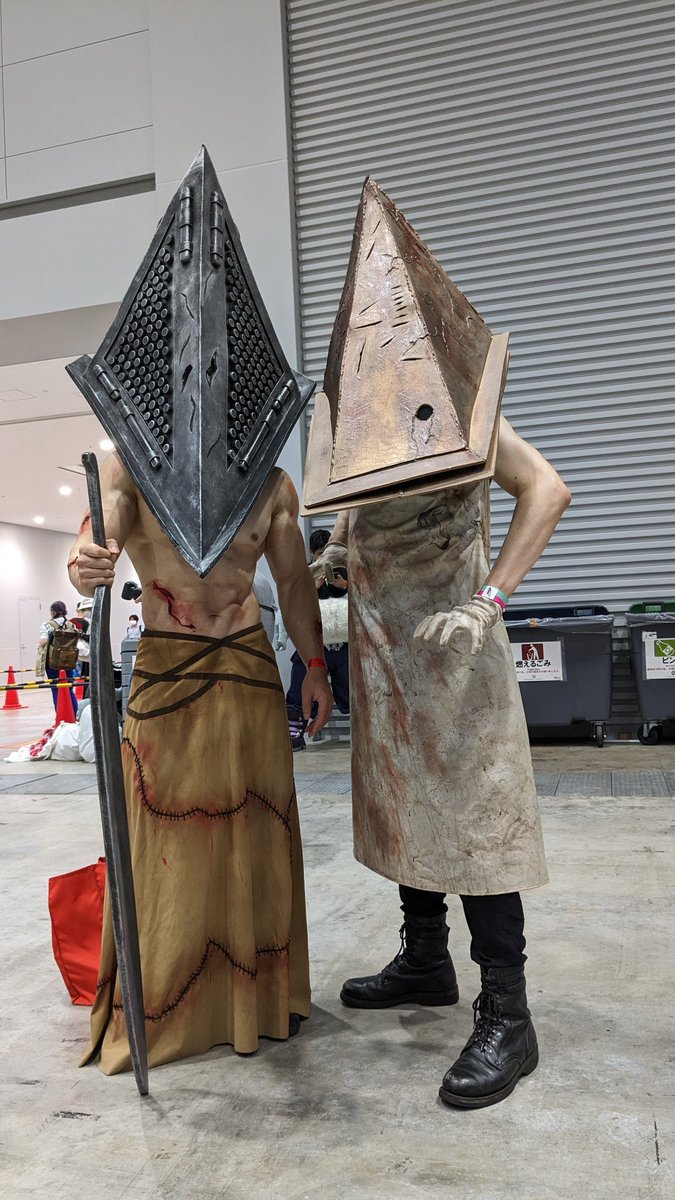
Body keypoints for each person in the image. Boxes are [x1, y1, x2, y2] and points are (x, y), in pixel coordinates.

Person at [305, 177, 572, 1110]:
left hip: (456, 653)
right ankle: (425, 959)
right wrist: (338, 552)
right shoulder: (361, 418)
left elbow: (546, 491)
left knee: (475, 824)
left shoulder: (462, 409)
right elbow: (358, 502)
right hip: (385, 651)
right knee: (403, 810)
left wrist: (489, 601)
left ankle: (509, 1012)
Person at [67, 453, 333, 1073]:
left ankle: (258, 997)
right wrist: (85, 564)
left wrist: (316, 665)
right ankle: (166, 1002)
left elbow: (294, 582)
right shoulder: (131, 467)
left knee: (259, 833)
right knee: (162, 841)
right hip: (168, 668)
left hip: (249, 668)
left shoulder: (269, 481)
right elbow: (93, 541)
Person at [286, 528, 350, 750]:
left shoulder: (348, 571)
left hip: (345, 643)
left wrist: (345, 585)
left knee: (355, 689)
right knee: (299, 680)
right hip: (314, 642)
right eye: (320, 553)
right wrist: (312, 589)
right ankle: (295, 729)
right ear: (313, 553)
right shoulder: (306, 574)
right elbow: (293, 605)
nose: (324, 558)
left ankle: (368, 728)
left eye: (327, 552)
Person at [37, 601, 79, 716]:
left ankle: (61, 716)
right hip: (68, 661)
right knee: (69, 689)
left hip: (53, 662)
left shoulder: (47, 625)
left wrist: (40, 643)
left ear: (53, 612)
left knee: (56, 689)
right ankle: (75, 715)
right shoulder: (71, 624)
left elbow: (43, 641)